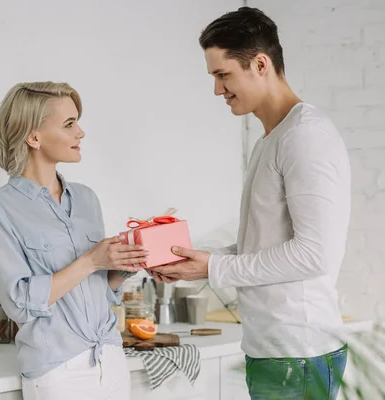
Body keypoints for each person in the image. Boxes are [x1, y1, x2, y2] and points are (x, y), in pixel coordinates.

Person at [149, 7, 351, 399]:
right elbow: (266, 245)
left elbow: (315, 254)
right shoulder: (270, 140)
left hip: (300, 354)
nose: (217, 90)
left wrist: (217, 266)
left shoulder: (305, 137)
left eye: (223, 75)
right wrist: (200, 265)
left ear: (260, 64)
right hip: (275, 352)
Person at [0, 81, 147, 400]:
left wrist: (123, 267)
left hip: (110, 359)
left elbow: (96, 290)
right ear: (33, 136)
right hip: (58, 372)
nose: (80, 132)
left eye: (77, 121)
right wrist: (91, 260)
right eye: (69, 124)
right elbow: (19, 302)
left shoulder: (86, 199)